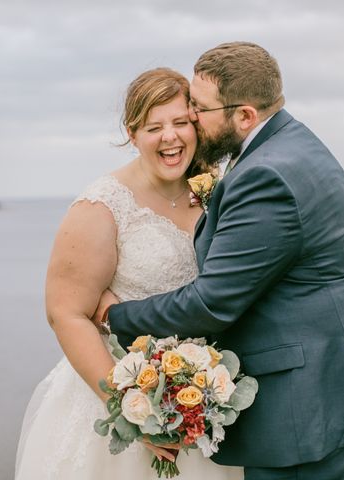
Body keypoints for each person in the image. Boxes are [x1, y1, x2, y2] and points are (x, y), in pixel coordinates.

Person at [95, 42, 344, 480]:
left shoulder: (265, 175)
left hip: (307, 410)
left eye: (198, 108)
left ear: (245, 116)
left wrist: (115, 315)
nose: (192, 117)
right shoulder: (292, 145)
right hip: (330, 389)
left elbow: (213, 303)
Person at [14, 68, 243, 479]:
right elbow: (65, 312)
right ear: (132, 133)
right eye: (154, 127)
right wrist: (130, 410)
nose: (170, 137)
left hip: (205, 407)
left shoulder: (216, 190)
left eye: (180, 123)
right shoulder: (102, 205)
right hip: (119, 402)